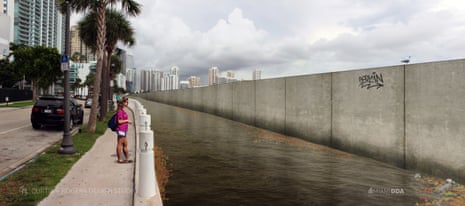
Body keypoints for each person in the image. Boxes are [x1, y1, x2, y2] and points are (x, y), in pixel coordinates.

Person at [116, 97, 132, 163]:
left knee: (125, 144)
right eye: (126, 102)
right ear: (122, 103)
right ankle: (120, 159)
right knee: (120, 144)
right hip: (121, 130)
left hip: (124, 130)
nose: (127, 103)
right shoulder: (120, 111)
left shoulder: (122, 110)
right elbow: (119, 121)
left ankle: (126, 159)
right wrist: (127, 121)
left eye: (127, 102)